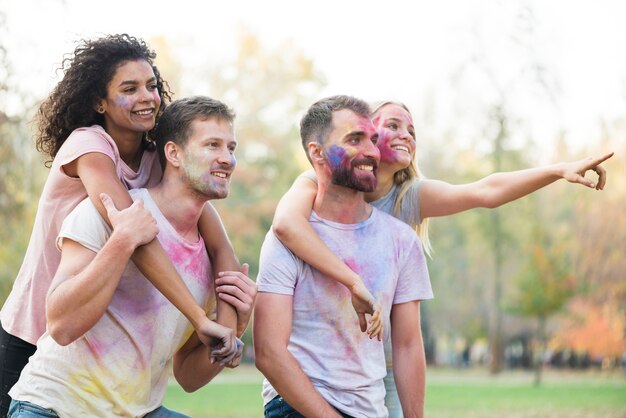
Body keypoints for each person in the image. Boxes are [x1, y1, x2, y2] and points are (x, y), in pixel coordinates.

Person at [272, 100, 614, 417]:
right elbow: (286, 225)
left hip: (384, 370)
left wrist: (556, 171)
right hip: (329, 366)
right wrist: (352, 280)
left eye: (412, 131)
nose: (405, 134)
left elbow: (486, 191)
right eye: (392, 125)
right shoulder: (321, 183)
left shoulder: (410, 198)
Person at [0, 35, 248, 416]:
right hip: (36, 319)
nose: (146, 97)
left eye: (151, 86)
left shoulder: (153, 160)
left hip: (94, 314)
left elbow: (219, 247)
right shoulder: (89, 147)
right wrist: (200, 319)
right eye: (129, 89)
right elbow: (133, 233)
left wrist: (228, 328)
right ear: (99, 101)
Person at [254, 95, 433, 418]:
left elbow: (407, 345)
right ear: (317, 152)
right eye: (355, 139)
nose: (370, 151)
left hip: (370, 410)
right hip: (296, 407)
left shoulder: (401, 241)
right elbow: (268, 353)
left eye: (373, 140)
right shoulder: (287, 237)